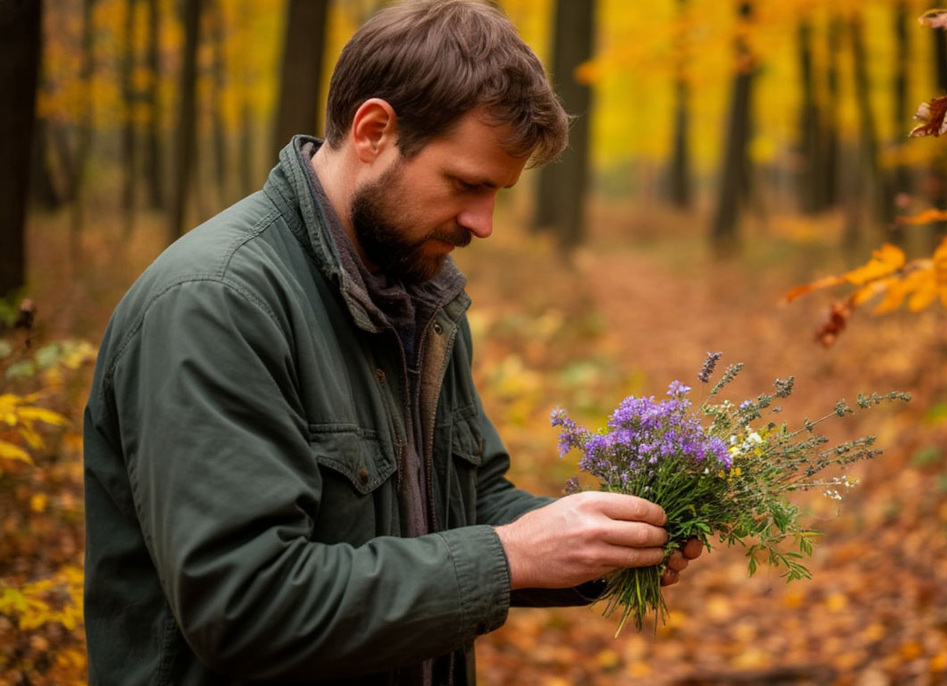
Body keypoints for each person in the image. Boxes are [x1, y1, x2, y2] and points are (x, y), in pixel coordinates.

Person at [82, 1, 702, 684]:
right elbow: (245, 605)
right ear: (374, 130)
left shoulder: (417, 287)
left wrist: (594, 544)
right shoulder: (216, 304)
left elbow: (466, 504)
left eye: (498, 193)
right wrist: (509, 556)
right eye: (466, 184)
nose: (483, 223)